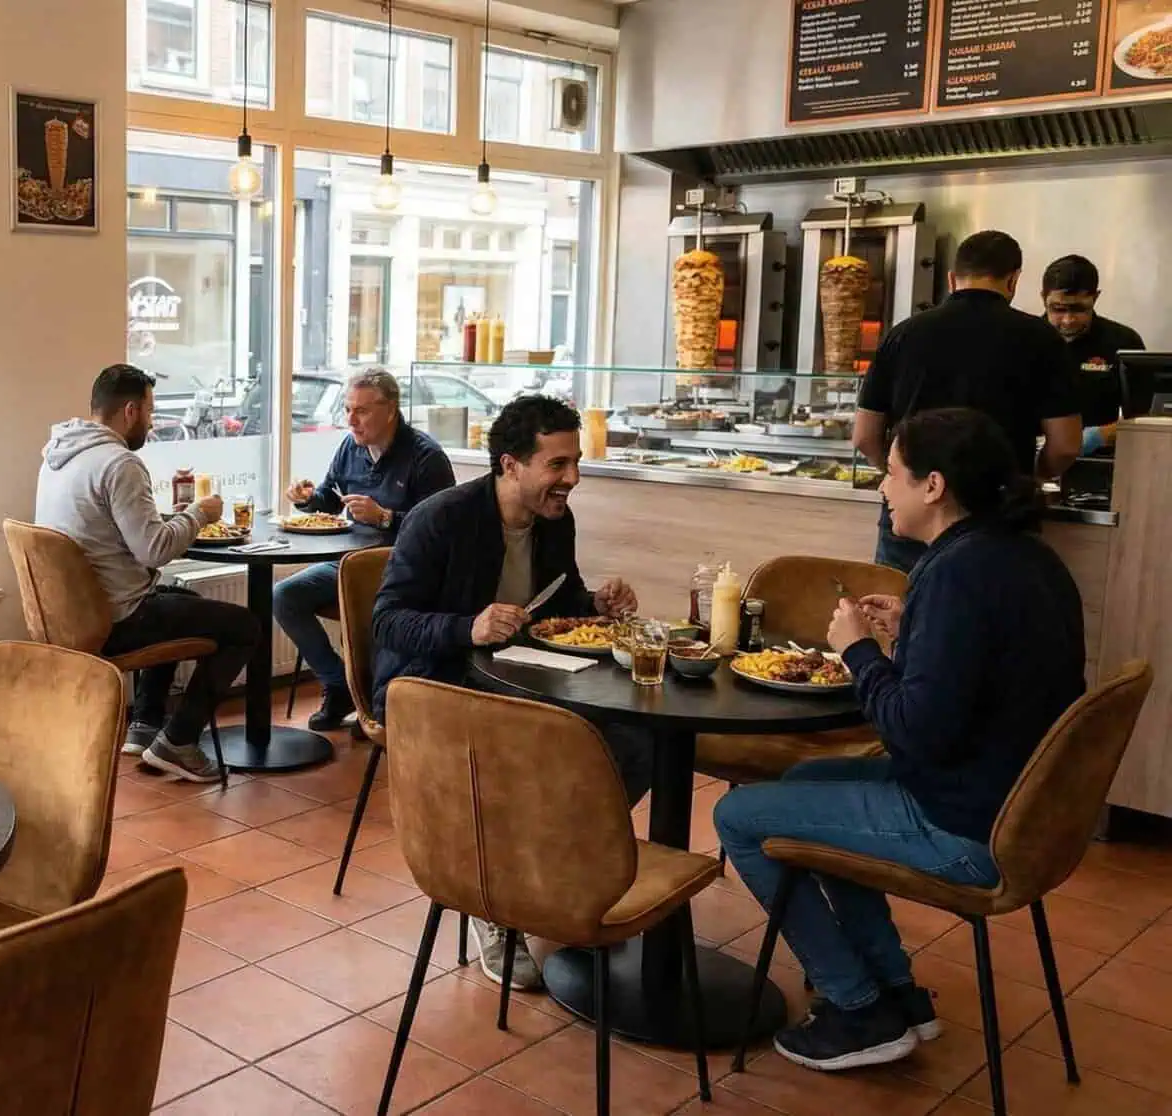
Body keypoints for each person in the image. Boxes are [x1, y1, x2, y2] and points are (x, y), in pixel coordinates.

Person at [715, 407, 1086, 1073]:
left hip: (966, 824)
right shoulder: (1021, 556)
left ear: (934, 485)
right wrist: (914, 627)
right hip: (1019, 809)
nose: (882, 488)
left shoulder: (955, 574)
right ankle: (898, 992)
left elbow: (912, 734)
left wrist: (859, 653)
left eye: (891, 475)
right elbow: (992, 669)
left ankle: (855, 1006)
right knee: (799, 788)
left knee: (735, 815)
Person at [372, 394, 648, 990]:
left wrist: (594, 602)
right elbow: (388, 620)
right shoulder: (441, 518)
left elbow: (558, 596)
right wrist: (465, 627)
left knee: (634, 739)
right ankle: (496, 905)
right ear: (510, 465)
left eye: (574, 462)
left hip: (521, 675)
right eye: (557, 465)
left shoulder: (555, 519)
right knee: (535, 751)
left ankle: (555, 878)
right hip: (431, 686)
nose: (571, 478)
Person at [35, 364, 261, 783]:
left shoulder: (58, 456)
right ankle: (179, 741)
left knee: (179, 599)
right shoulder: (119, 463)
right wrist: (197, 514)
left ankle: (144, 725)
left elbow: (107, 527)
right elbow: (154, 551)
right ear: (130, 411)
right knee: (245, 627)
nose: (153, 423)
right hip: (117, 618)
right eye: (151, 412)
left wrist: (164, 520)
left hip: (74, 613)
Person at [852, 230, 1082, 572]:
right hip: (998, 509)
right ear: (1014, 279)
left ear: (951, 279)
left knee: (895, 616)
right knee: (985, 619)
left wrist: (901, 477)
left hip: (914, 509)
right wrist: (1028, 476)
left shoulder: (903, 334)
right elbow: (1065, 444)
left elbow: (864, 436)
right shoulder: (1041, 339)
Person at [275, 369, 454, 730]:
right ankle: (339, 684)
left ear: (390, 410)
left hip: (403, 573)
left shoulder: (426, 457)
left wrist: (386, 517)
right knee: (283, 596)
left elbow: (443, 534)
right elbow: (330, 499)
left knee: (376, 612)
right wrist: (308, 500)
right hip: (348, 564)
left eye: (362, 411)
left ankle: (376, 698)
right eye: (347, 409)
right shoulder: (349, 447)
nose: (351, 420)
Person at [1041, 255, 1147, 457]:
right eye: (1058, 309)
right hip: (1037, 459)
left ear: (1095, 298)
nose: (1068, 320)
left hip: (1099, 458)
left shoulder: (1123, 342)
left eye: (1079, 309)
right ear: (1043, 298)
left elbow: (1145, 419)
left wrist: (1101, 435)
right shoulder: (1026, 339)